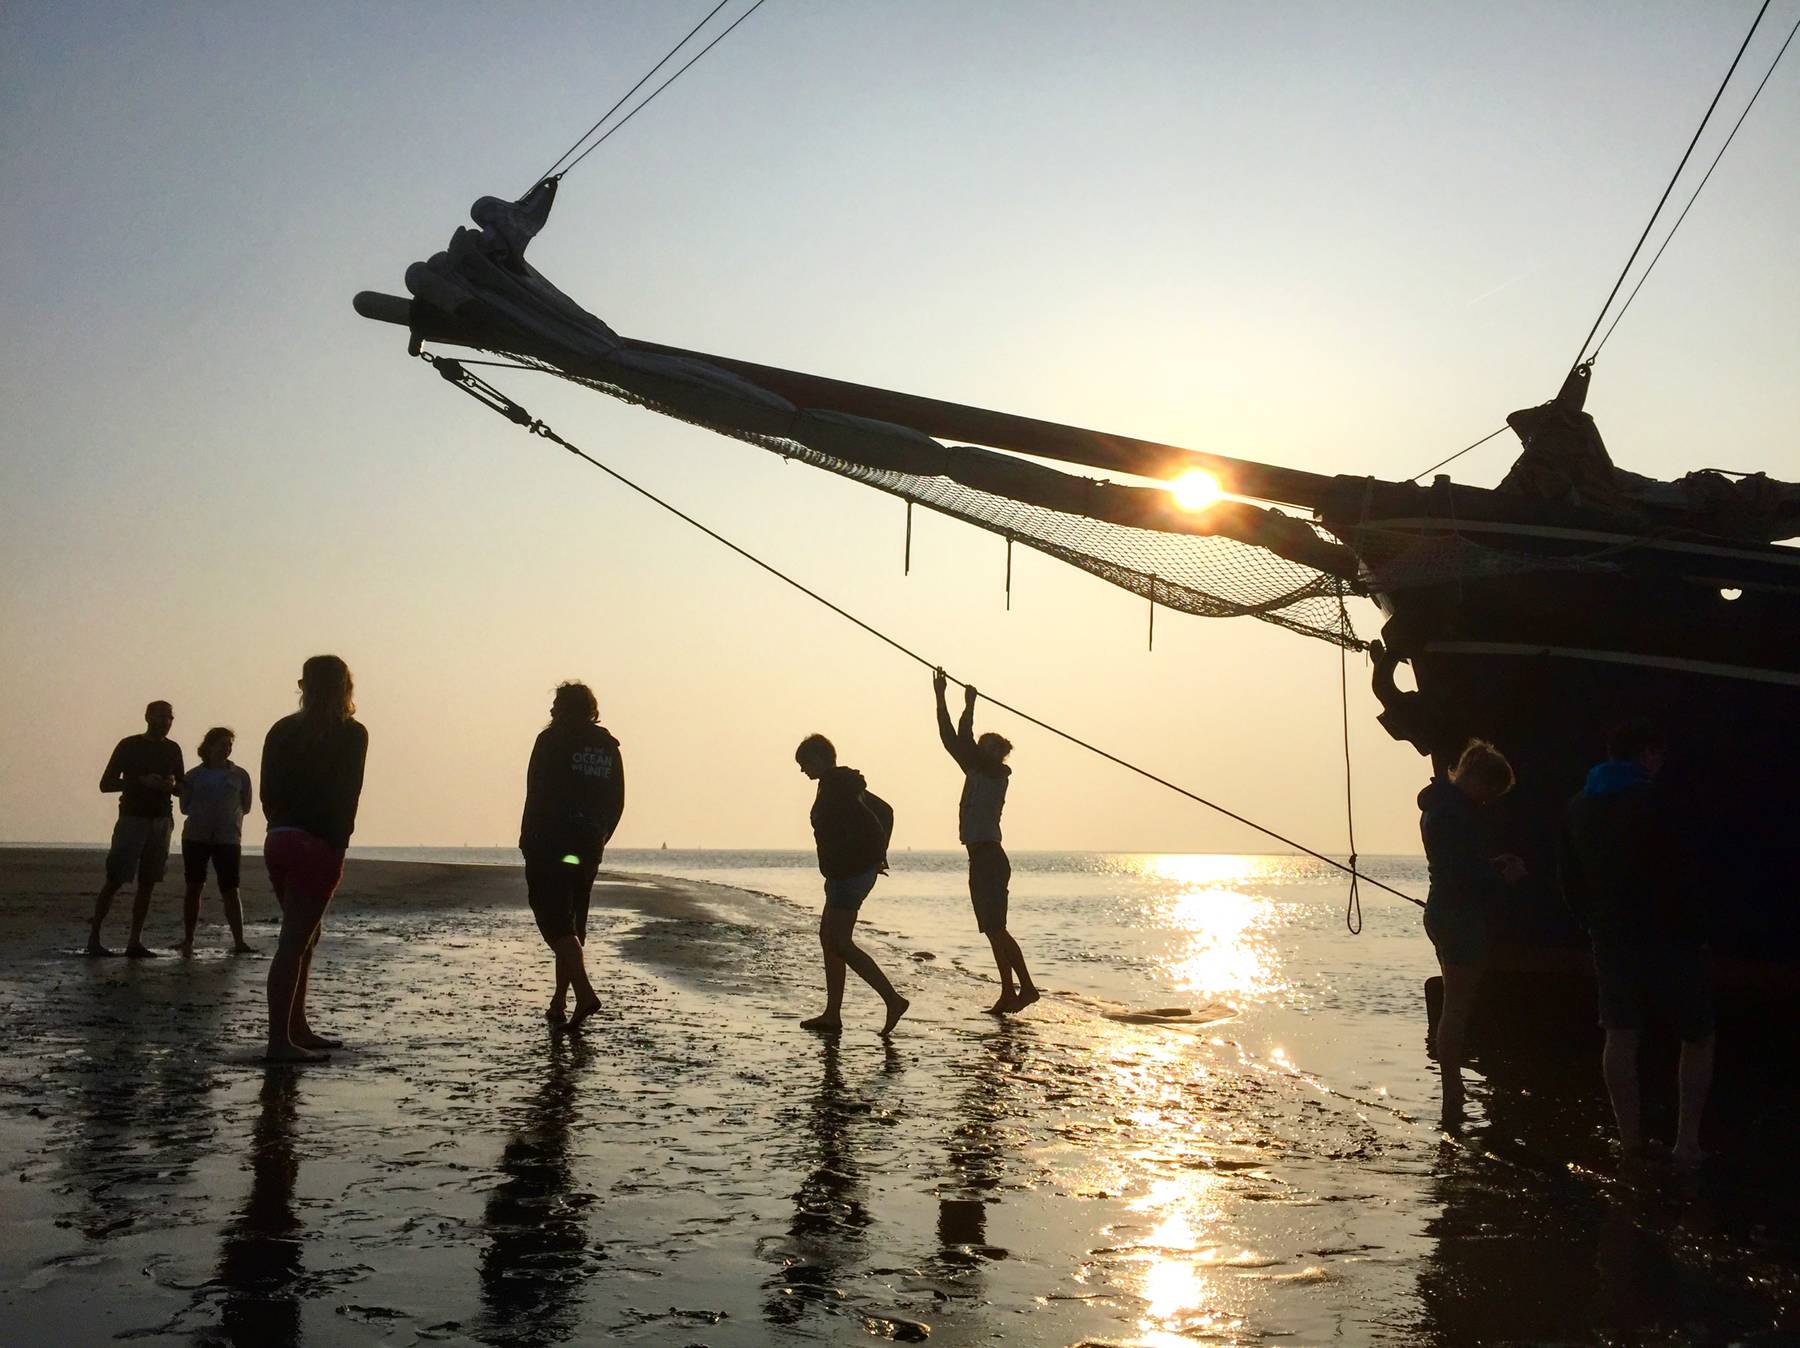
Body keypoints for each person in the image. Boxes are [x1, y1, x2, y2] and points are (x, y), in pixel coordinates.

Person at [1560, 720, 1712, 1166]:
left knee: (1620, 1034)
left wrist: (1591, 922)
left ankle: (1629, 1140)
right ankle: (1687, 1143)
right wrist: (1700, 927)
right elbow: (1688, 870)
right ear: (1646, 753)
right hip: (1673, 934)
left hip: (1611, 935)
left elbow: (1567, 880)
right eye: (1659, 754)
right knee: (1697, 1034)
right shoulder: (1661, 801)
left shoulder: (1578, 807)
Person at [260, 655, 367, 1063]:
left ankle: (296, 1025)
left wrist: (280, 824)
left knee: (306, 934)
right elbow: (348, 793)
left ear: (304, 686)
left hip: (281, 836)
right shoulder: (351, 733)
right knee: (293, 940)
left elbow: (268, 788)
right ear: (345, 687)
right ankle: (278, 1041)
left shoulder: (282, 729)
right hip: (318, 841)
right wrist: (338, 842)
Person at [1418, 738, 1525, 1107]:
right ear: (1478, 780)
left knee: (1455, 1002)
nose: (1488, 801)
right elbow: (1464, 876)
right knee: (1457, 1006)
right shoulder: (1456, 814)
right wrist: (1503, 877)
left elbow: (1455, 867)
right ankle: (1452, 1089)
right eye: (1489, 793)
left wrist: (1489, 866)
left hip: (1441, 910)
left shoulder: (1439, 808)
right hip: (1459, 915)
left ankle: (1453, 1085)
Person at [519, 681, 624, 1031]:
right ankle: (559, 1001)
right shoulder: (608, 748)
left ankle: (583, 993)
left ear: (564, 709)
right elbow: (616, 801)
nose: (550, 711)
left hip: (550, 843)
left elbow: (536, 791)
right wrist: (600, 837)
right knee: (573, 921)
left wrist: (528, 839)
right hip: (588, 845)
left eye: (556, 705)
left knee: (553, 920)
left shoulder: (551, 741)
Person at [932, 669, 1039, 1014]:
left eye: (987, 746)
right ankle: (1009, 991)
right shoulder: (977, 770)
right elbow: (951, 738)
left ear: (999, 753)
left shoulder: (996, 774)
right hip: (980, 857)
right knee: (993, 931)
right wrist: (940, 695)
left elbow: (963, 737)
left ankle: (1027, 988)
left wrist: (969, 705)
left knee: (997, 929)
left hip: (990, 857)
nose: (978, 748)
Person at [794, 733, 909, 1036]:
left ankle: (893, 1000)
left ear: (820, 758)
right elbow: (884, 812)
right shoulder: (838, 784)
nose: (802, 769)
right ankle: (832, 1014)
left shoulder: (838, 786)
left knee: (841, 943)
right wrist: (877, 855)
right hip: (842, 873)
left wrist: (876, 856)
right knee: (828, 939)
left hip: (849, 874)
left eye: (805, 762)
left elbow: (879, 816)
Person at [89, 700, 185, 956]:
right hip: (132, 818)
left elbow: (182, 787)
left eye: (169, 718)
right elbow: (106, 783)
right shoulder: (129, 745)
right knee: (115, 878)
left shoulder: (173, 749)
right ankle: (94, 937)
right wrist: (139, 781)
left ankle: (135, 941)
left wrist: (172, 784)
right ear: (148, 717)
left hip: (161, 819)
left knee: (148, 882)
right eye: (160, 717)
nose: (165, 722)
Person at [178, 727, 256, 955]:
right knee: (194, 886)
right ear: (209, 746)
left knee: (231, 889)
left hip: (228, 838)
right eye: (222, 744)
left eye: (230, 744)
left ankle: (239, 940)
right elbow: (184, 807)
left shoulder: (239, 775)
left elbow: (247, 805)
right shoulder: (193, 776)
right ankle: (189, 939)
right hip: (196, 836)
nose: (227, 748)